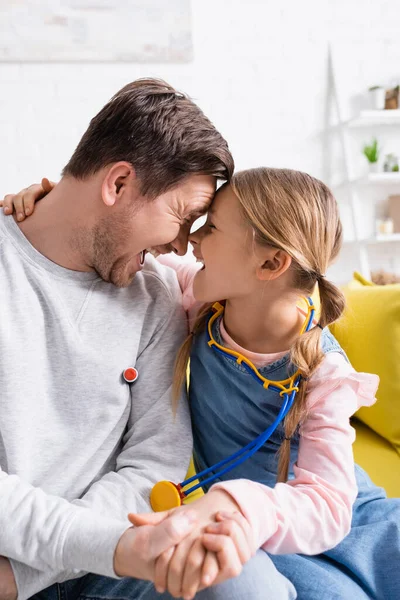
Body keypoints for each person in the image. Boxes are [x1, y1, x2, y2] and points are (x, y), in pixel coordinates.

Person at [0, 78, 260, 600]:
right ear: (118, 184)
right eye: (181, 219)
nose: (181, 248)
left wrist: (30, 572)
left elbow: (150, 464)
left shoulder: (157, 294)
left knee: (244, 587)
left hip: (96, 558)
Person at [107, 167, 399, 600]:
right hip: (265, 543)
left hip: (356, 531)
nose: (195, 240)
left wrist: (240, 506)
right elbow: (132, 240)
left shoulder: (324, 373)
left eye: (213, 227)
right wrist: (54, 199)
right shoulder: (198, 301)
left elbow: (328, 507)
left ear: (270, 262)